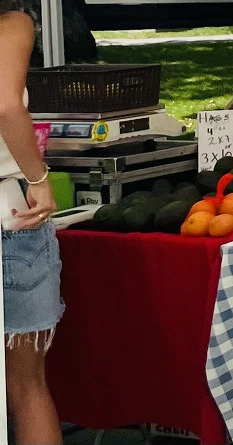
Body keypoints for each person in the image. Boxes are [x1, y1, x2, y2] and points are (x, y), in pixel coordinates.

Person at [0, 1, 65, 443]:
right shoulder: (12, 23)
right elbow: (6, 105)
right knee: (27, 387)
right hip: (11, 213)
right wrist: (39, 179)